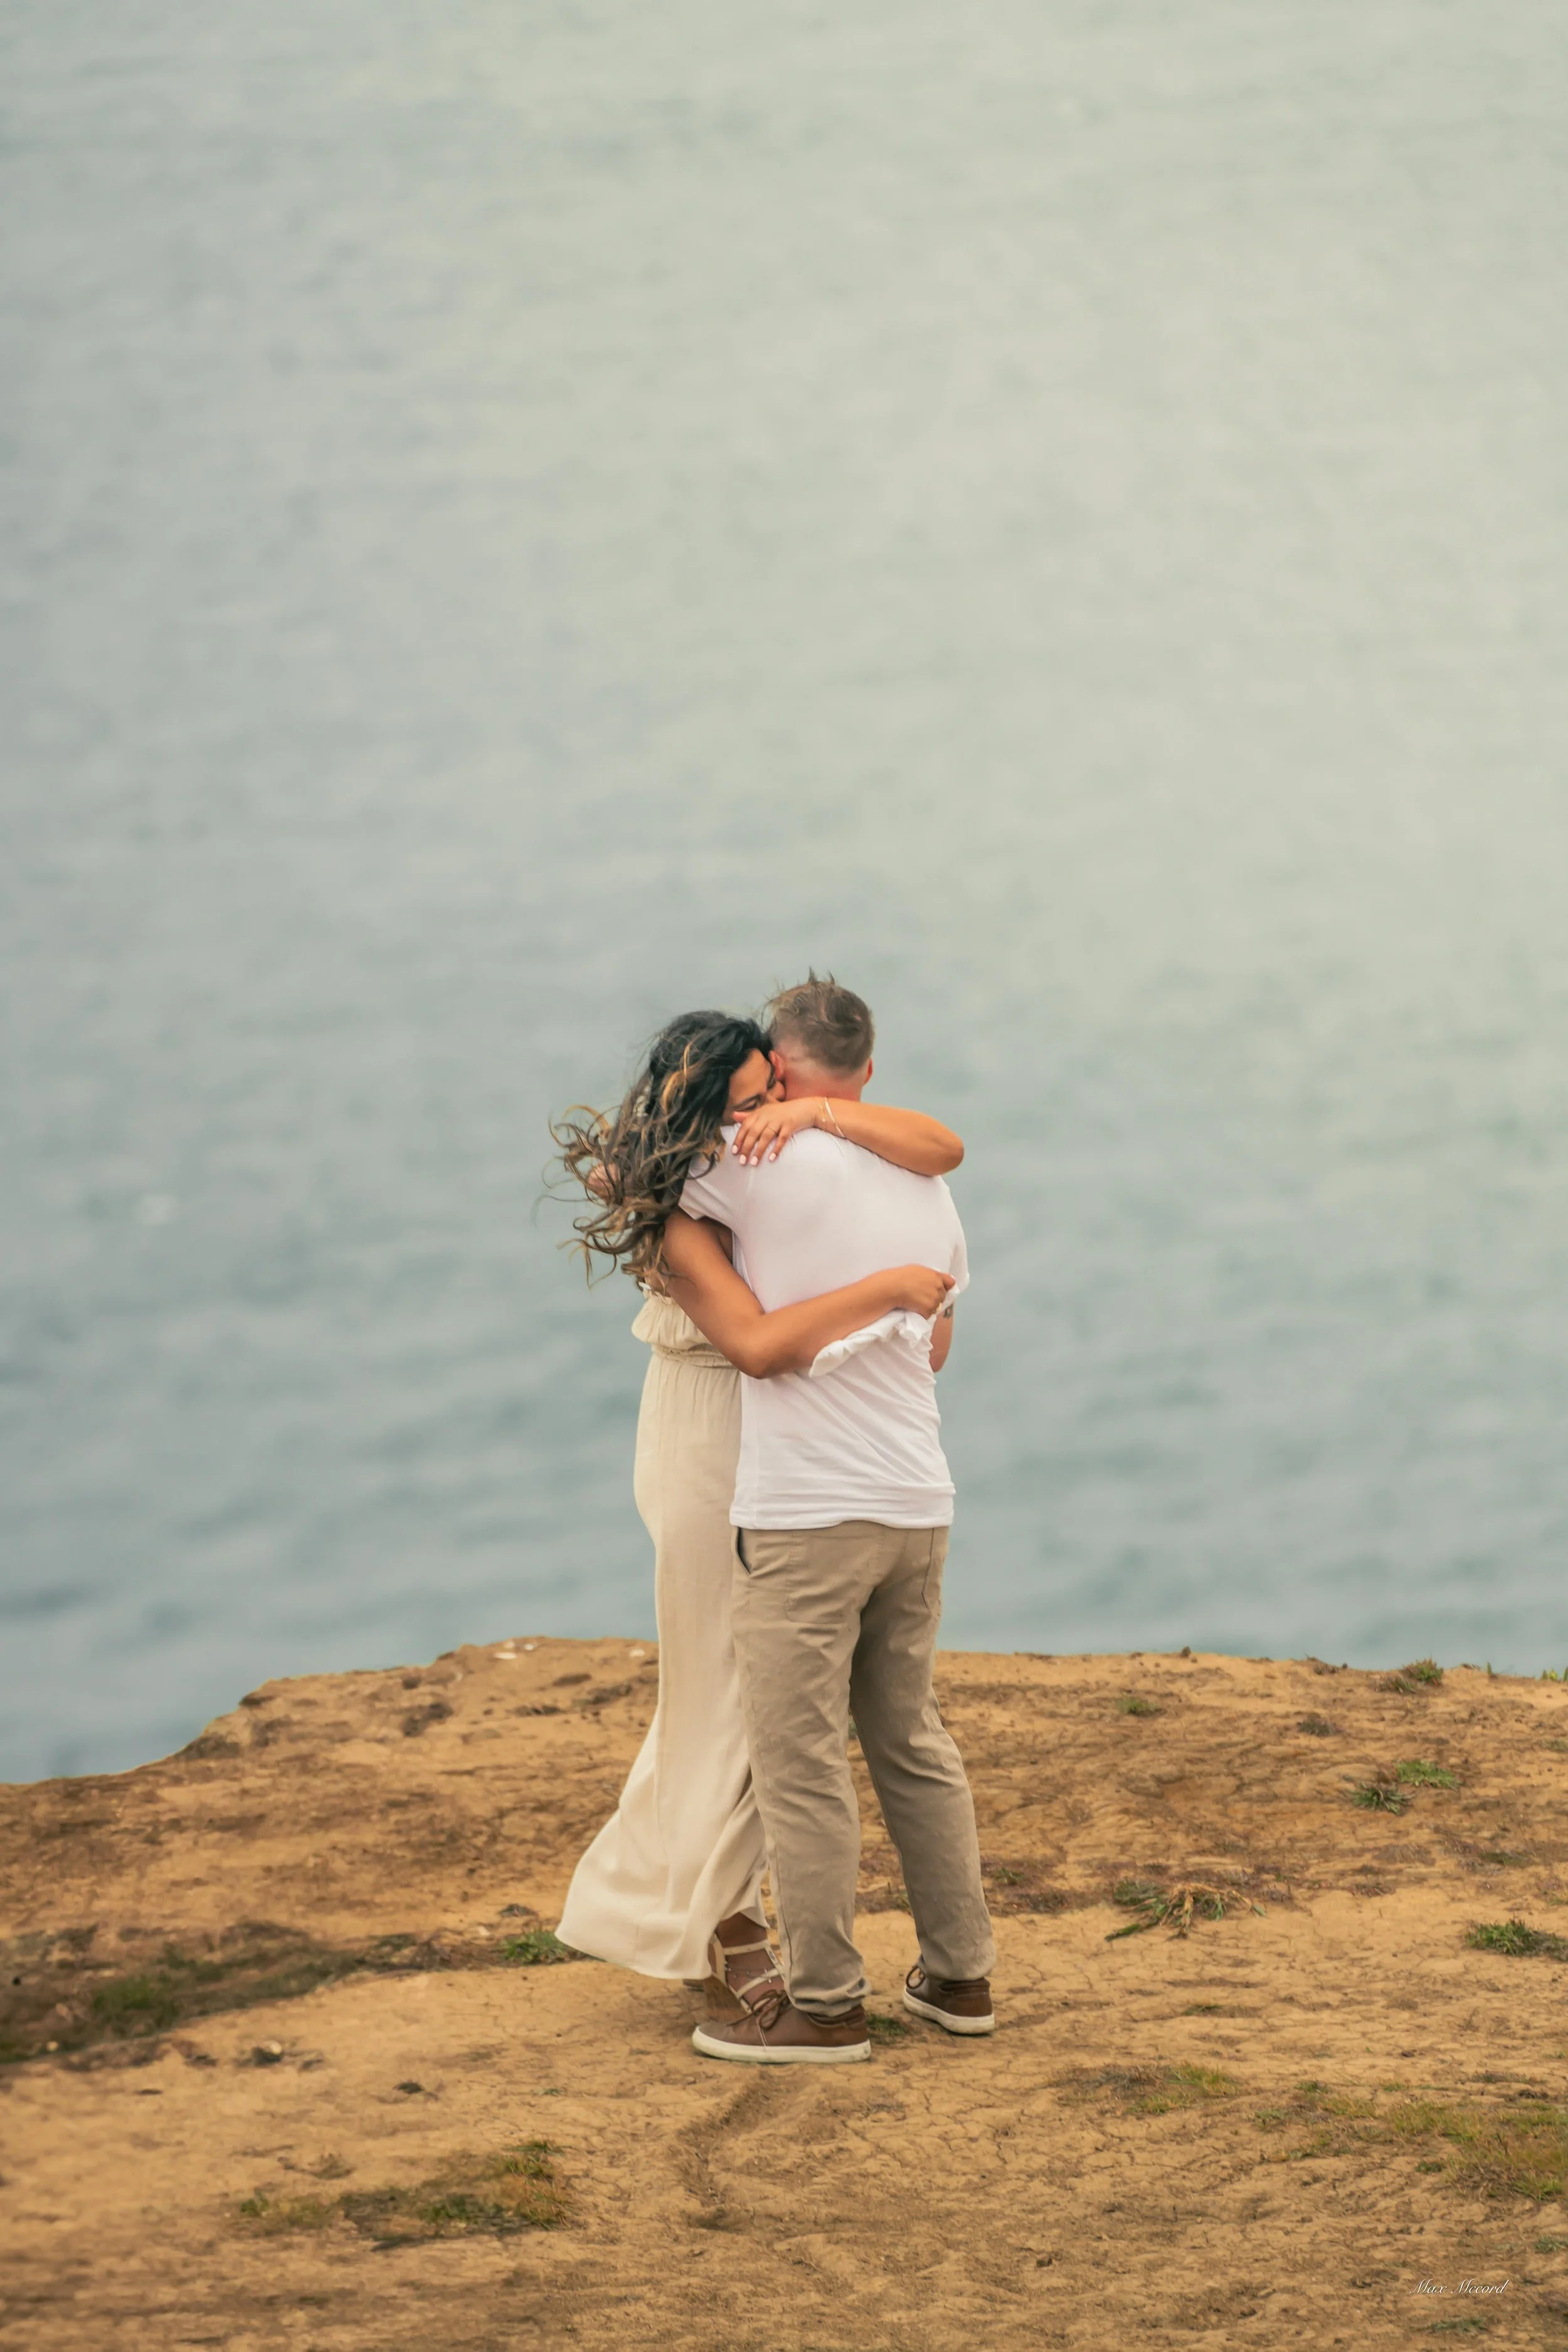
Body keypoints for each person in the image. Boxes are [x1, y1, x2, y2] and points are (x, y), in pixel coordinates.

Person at [551, 1006, 965, 2017]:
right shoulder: (689, 1189)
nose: (764, 1119)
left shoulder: (782, 1154)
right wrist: (889, 1287)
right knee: (728, 1687)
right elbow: (748, 1330)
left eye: (769, 1093)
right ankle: (723, 1925)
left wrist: (817, 1113)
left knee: (762, 1693)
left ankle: (710, 1915)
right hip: (708, 1430)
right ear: (696, 1113)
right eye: (745, 1104)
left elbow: (942, 1146)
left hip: (787, 1433)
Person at [679, 976, 995, 2065]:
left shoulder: (747, 1158)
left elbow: (625, 1175)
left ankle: (823, 2001)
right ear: (866, 1071)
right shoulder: (925, 1185)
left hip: (808, 1511)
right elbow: (941, 1338)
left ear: (775, 1061)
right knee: (910, 1738)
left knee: (800, 1759)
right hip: (917, 1501)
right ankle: (961, 1976)